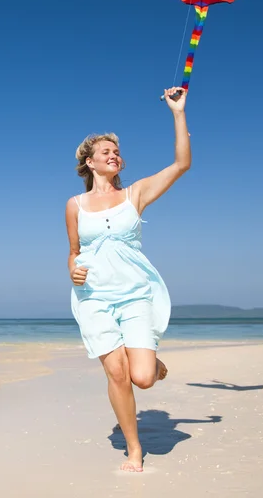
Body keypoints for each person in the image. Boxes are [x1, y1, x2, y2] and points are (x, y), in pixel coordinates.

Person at [64, 86, 191, 472]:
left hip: (135, 295)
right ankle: (134, 449)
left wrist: (177, 112)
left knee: (143, 379)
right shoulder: (75, 205)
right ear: (89, 162)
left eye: (116, 151)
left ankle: (151, 362)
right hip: (94, 298)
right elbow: (73, 251)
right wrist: (72, 268)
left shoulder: (135, 194)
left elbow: (180, 164)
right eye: (106, 152)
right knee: (116, 373)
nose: (114, 155)